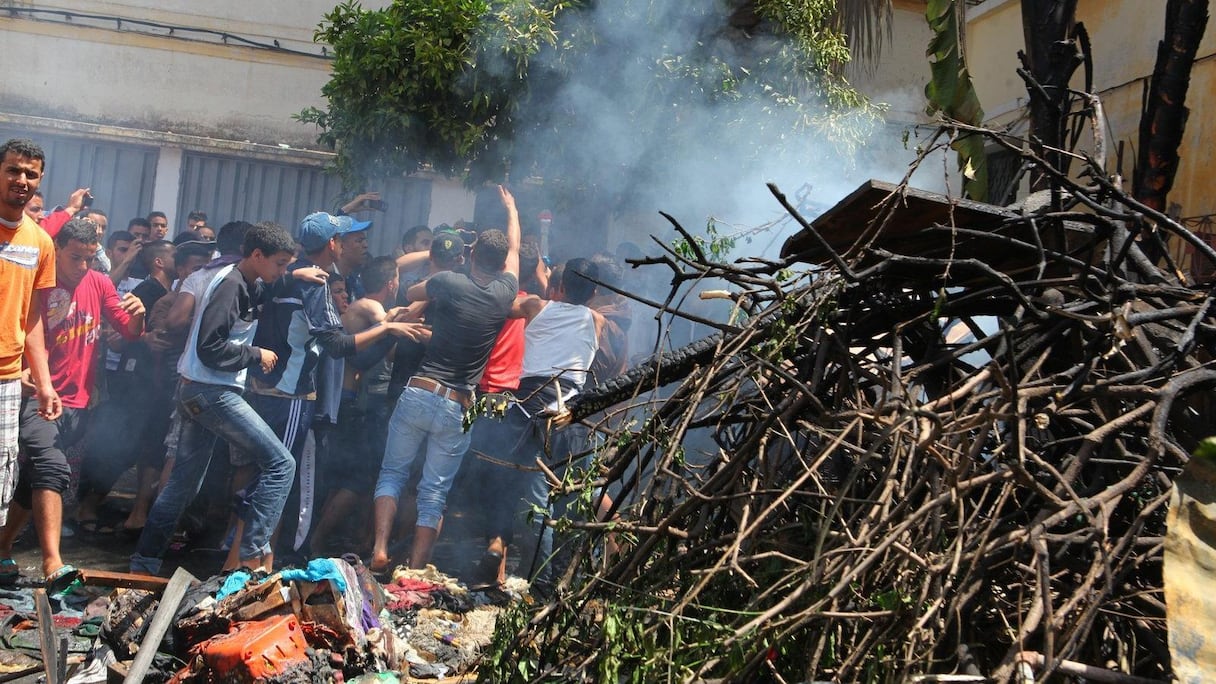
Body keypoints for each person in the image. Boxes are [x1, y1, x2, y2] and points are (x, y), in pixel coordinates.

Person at [245, 213, 420, 558]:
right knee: (292, 478)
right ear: (332, 245)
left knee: (271, 472)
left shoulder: (284, 273)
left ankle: (259, 554)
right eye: (343, 238)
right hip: (291, 393)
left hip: (267, 387)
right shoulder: (314, 284)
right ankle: (282, 555)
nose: (348, 243)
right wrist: (386, 330)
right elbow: (337, 345)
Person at [130, 223, 298, 575]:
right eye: (280, 264)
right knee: (281, 464)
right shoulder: (232, 285)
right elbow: (210, 347)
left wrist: (301, 272)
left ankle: (143, 564)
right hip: (211, 392)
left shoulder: (245, 280)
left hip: (196, 391)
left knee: (181, 483)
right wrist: (255, 355)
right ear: (256, 256)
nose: (282, 272)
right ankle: (251, 560)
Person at [371, 185, 520, 573]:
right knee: (434, 492)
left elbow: (412, 288)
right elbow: (516, 251)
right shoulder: (505, 292)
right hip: (460, 404)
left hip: (420, 391)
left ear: (471, 253)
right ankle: (418, 571)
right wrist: (512, 210)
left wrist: (446, 274)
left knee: (392, 473)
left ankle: (381, 550)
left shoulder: (449, 282)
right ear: (502, 262)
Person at [0, 218, 144, 587]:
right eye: (75, 258)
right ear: (56, 251)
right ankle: (53, 564)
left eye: (90, 258)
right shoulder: (39, 283)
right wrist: (23, 373)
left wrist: (139, 316)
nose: (83, 267)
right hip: (38, 395)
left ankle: (1, 549)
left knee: (30, 478)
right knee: (51, 467)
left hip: (78, 402)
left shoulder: (98, 282)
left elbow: (128, 331)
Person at [473, 258, 602, 589]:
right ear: (595, 292)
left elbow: (498, 307)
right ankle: (562, 581)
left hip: (529, 412)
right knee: (571, 501)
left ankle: (540, 583)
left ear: (558, 287)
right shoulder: (597, 320)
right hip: (572, 414)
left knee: (531, 500)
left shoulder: (534, 306)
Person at [0, 138, 61, 528]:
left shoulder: (41, 242)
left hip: (6, 379)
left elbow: (33, 318)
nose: (21, 179)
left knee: (2, 474)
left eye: (30, 174)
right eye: (13, 170)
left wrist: (44, 383)